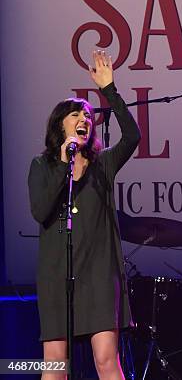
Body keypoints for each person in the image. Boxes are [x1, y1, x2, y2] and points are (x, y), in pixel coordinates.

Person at [28, 49, 141, 379]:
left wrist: (110, 90)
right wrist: (64, 163)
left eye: (89, 116)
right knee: (55, 365)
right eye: (77, 114)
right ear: (59, 123)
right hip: (57, 276)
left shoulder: (103, 164)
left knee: (107, 360)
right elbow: (41, 211)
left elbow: (133, 136)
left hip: (98, 276)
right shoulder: (42, 165)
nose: (84, 119)